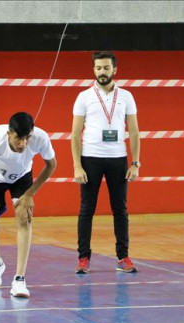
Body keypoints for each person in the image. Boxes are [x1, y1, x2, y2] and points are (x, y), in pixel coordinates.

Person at [0, 112, 57, 298]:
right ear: (9, 133)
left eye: (27, 138)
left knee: (24, 218)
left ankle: (19, 279)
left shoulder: (40, 138)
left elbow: (51, 165)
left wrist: (29, 194)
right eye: (19, 138)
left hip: (21, 177)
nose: (23, 144)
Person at [71, 51, 141, 274]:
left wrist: (135, 163)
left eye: (106, 68)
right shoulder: (84, 96)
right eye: (98, 68)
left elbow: (135, 132)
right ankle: (83, 258)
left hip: (118, 159)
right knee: (86, 210)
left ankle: (123, 257)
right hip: (90, 158)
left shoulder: (126, 96)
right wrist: (77, 166)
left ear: (115, 70)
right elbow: (74, 134)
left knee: (120, 210)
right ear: (93, 70)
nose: (102, 72)